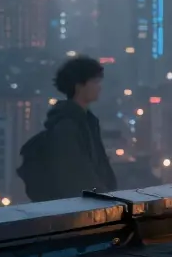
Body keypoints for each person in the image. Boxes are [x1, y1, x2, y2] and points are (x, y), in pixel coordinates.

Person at [17, 56, 117, 200]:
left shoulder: (87, 121)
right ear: (79, 86)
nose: (99, 87)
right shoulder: (66, 127)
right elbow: (75, 177)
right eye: (94, 82)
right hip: (83, 208)